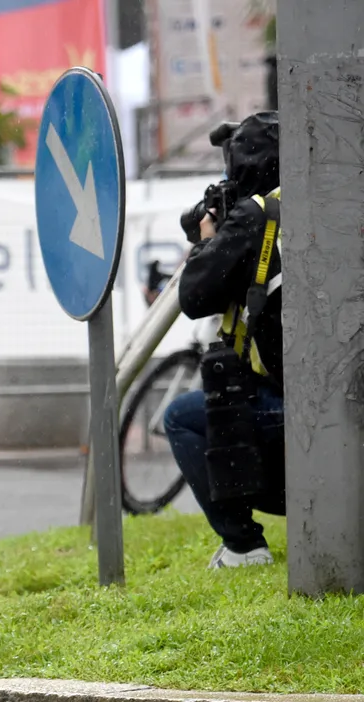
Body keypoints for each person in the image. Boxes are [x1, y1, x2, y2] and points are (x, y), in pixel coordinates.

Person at [163, 112, 284, 569]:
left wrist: (208, 240)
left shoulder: (259, 214)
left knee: (182, 417)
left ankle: (243, 546)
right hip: (337, 396)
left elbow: (194, 296)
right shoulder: (324, 202)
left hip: (292, 409)